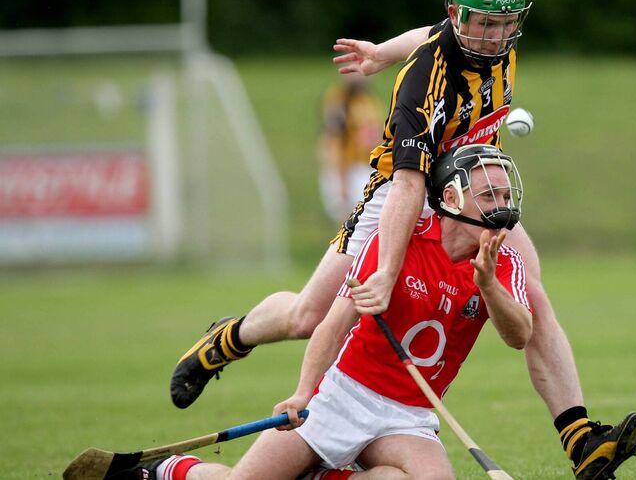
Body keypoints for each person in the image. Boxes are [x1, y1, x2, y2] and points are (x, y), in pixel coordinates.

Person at [170, 0, 636, 479]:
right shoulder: (423, 84)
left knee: (529, 292)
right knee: (309, 316)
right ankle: (229, 339)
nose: (494, 36)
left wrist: (378, 53)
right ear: (460, 16)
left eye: (505, 24)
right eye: (484, 24)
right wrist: (387, 273)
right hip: (398, 192)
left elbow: (428, 31)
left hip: (470, 187)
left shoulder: (490, 42)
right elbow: (409, 185)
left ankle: (579, 438)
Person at [118, 145, 534, 479]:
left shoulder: (504, 263)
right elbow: (334, 326)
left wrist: (488, 287)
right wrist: (303, 392)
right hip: (343, 396)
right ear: (451, 198)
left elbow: (519, 336)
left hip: (408, 415)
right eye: (489, 196)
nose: (502, 206)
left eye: (504, 195)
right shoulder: (398, 244)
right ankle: (173, 470)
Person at [317, 75, 383, 222]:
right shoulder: (340, 101)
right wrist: (341, 181)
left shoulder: (368, 98)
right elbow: (336, 141)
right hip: (349, 170)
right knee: (350, 224)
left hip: (366, 166)